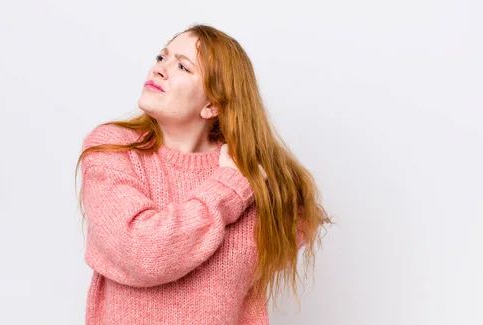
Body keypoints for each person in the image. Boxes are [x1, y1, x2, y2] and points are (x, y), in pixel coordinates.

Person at [76, 23, 330, 325]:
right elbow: (142, 252)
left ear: (212, 104)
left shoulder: (249, 177)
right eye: (162, 57)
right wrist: (228, 188)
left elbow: (299, 218)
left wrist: (252, 179)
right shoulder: (113, 148)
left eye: (183, 67)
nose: (159, 69)